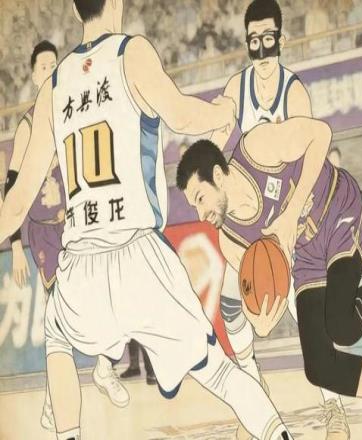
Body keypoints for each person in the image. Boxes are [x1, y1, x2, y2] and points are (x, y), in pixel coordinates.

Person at [0, 1, 294, 440]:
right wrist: (223, 113)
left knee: (57, 334)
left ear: (77, 12)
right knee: (217, 370)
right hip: (137, 253)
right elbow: (182, 115)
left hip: (80, 262)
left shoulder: (54, 87)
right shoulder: (130, 53)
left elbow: (17, 203)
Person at [177, 117, 362, 440]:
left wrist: (290, 215)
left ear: (218, 175)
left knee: (341, 326)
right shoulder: (230, 239)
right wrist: (263, 319)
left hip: (335, 208)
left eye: (200, 198)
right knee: (319, 367)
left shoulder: (256, 149)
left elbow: (321, 134)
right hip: (306, 255)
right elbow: (265, 299)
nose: (200, 214)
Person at [210, 1, 349, 438]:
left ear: (281, 40)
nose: (262, 49)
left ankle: (334, 404)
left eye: (268, 39)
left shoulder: (294, 92)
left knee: (303, 308)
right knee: (230, 300)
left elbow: (311, 159)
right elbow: (216, 142)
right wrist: (213, 134)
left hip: (291, 211)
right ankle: (254, 391)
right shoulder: (236, 88)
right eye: (254, 41)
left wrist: (290, 221)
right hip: (252, 218)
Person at [4, 40, 129, 432]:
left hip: (77, 223)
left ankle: (101, 370)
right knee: (62, 316)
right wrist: (16, 245)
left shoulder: (74, 110)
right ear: (33, 75)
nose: (50, 70)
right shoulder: (28, 126)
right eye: (43, 66)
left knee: (110, 292)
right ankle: (54, 398)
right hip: (44, 234)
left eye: (54, 65)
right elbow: (10, 189)